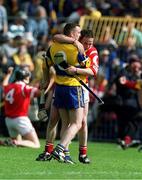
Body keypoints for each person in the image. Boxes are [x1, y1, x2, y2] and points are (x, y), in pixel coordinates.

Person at [36, 28, 99, 163]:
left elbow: (93, 70)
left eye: (91, 43)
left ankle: (82, 153)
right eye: (86, 42)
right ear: (78, 39)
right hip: (67, 86)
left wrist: (76, 69)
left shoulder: (91, 51)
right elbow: (56, 37)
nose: (88, 46)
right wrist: (46, 79)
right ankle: (59, 151)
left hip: (81, 86)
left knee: (81, 122)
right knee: (59, 120)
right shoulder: (71, 46)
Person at [1, 66, 40, 148]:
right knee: (36, 144)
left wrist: (8, 74)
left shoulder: (8, 87)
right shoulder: (24, 87)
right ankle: (14, 142)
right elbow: (38, 93)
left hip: (8, 120)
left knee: (20, 143)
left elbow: (4, 84)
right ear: (25, 78)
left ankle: (9, 142)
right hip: (20, 119)